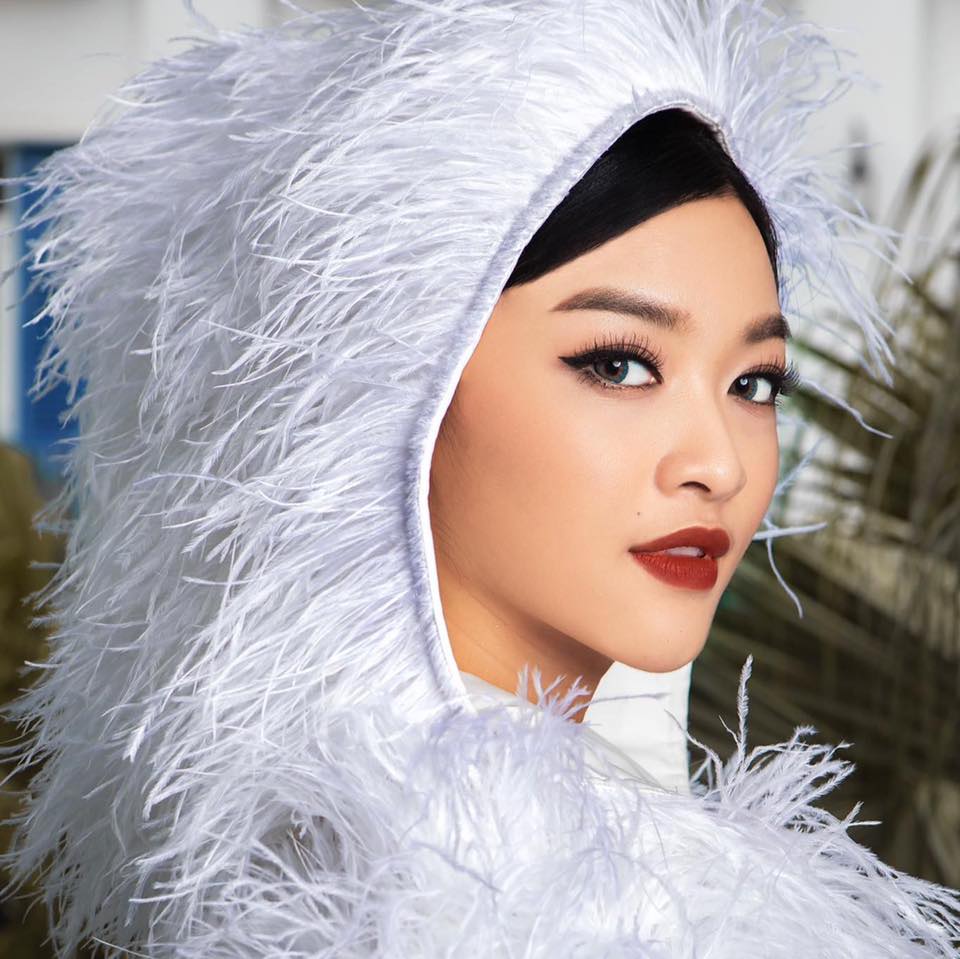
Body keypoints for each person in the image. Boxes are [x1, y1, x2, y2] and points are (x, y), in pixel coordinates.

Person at [2, 0, 958, 955]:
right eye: (620, 363)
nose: (720, 463)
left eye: (755, 382)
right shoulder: (458, 910)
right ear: (394, 390)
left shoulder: (392, 865)